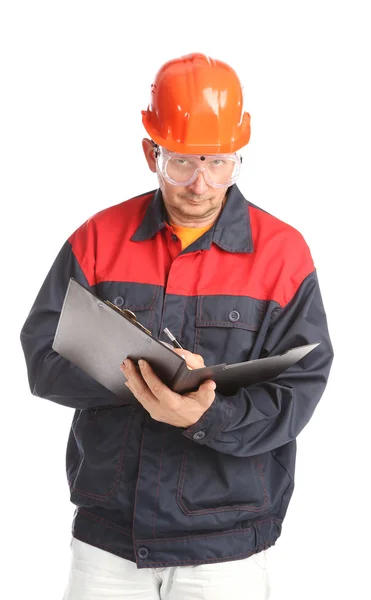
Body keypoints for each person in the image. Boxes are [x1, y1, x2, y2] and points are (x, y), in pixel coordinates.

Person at [20, 52, 333, 600]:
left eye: (219, 163)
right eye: (182, 162)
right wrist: (143, 383)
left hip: (227, 550)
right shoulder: (96, 240)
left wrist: (209, 414)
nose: (200, 184)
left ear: (240, 156)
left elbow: (298, 390)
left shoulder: (283, 254)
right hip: (108, 544)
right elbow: (44, 358)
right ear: (151, 152)